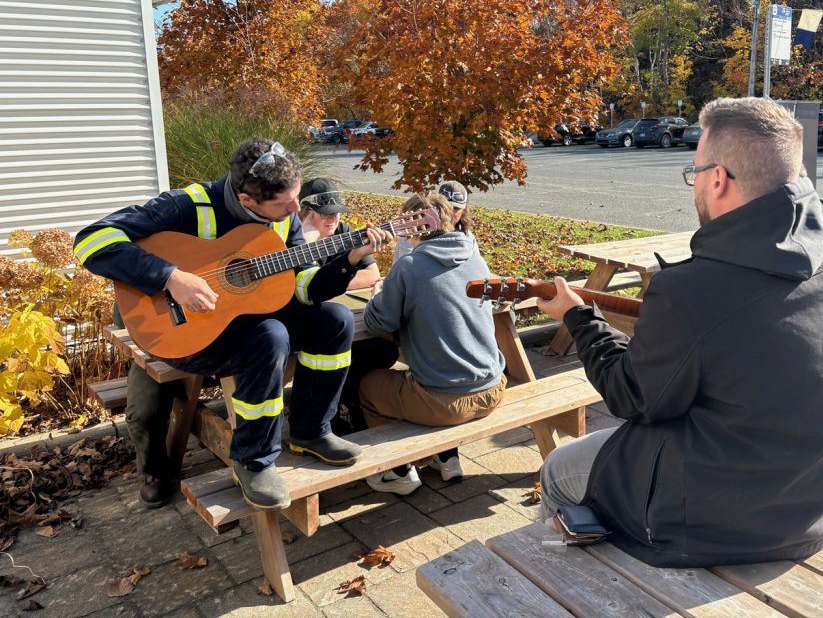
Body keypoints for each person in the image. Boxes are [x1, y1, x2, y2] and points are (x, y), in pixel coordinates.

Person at [535, 97, 823, 568]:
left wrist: (579, 318)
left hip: (708, 526)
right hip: (817, 506)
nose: (693, 183)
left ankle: (565, 586)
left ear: (717, 178)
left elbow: (631, 398)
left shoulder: (690, 290)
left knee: (557, 470)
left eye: (694, 172)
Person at [74, 139, 389, 510]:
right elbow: (91, 240)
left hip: (246, 317)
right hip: (189, 332)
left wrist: (350, 258)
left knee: (335, 320)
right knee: (270, 337)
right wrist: (171, 276)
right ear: (247, 201)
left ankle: (312, 431)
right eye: (283, 204)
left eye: (296, 197)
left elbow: (304, 287)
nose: (294, 209)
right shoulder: (187, 205)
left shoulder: (285, 216)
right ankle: (253, 461)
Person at [358, 192, 505, 495]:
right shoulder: (475, 255)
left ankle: (397, 471)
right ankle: (445, 456)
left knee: (368, 387)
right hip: (494, 388)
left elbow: (377, 323)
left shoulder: (409, 266)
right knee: (434, 359)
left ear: (410, 228)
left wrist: (377, 296)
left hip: (446, 403)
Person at [297, 176, 400, 434]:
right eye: (324, 214)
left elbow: (371, 275)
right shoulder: (293, 238)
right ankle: (331, 410)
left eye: (336, 213)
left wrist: (331, 283)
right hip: (303, 329)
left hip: (343, 321)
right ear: (305, 213)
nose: (332, 219)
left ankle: (347, 402)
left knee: (383, 349)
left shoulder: (343, 233)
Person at [394, 179, 471, 260]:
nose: (450, 212)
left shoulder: (468, 238)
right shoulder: (414, 233)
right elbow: (403, 267)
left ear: (464, 211)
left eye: (456, 208)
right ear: (437, 207)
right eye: (446, 207)